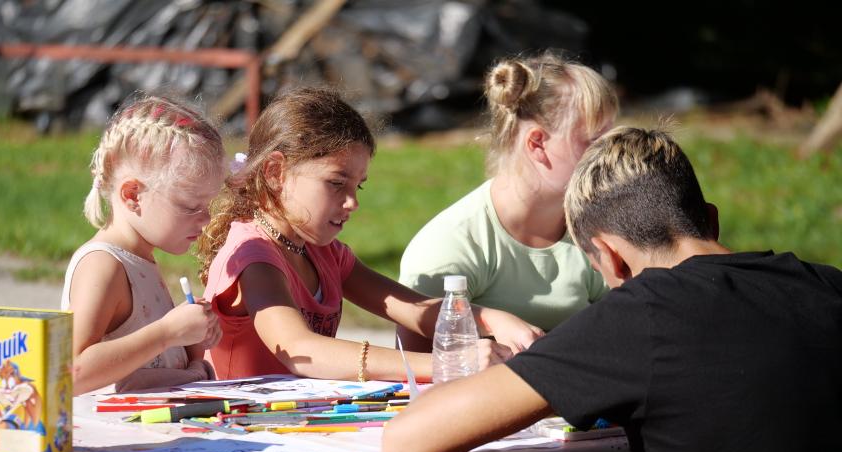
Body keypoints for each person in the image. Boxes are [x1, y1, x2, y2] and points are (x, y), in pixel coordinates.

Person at [383, 127, 842, 452]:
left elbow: (407, 440)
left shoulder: (643, 314)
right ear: (709, 218)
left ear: (611, 255)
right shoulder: (827, 286)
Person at [197, 87, 542, 382]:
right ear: (275, 173)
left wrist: (490, 319)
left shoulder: (324, 253)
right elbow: (301, 350)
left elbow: (413, 309)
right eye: (336, 183)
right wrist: (446, 365)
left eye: (357, 186)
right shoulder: (254, 255)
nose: (353, 202)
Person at [398, 52, 618, 351]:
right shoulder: (452, 245)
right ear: (537, 143)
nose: (611, 154)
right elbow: (416, 366)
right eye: (594, 141)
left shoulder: (603, 227)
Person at [62, 93, 224, 394]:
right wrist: (168, 332)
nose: (206, 219)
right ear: (132, 196)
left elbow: (150, 364)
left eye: (208, 205)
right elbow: (71, 372)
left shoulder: (140, 259)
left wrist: (191, 344)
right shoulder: (103, 265)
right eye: (191, 206)